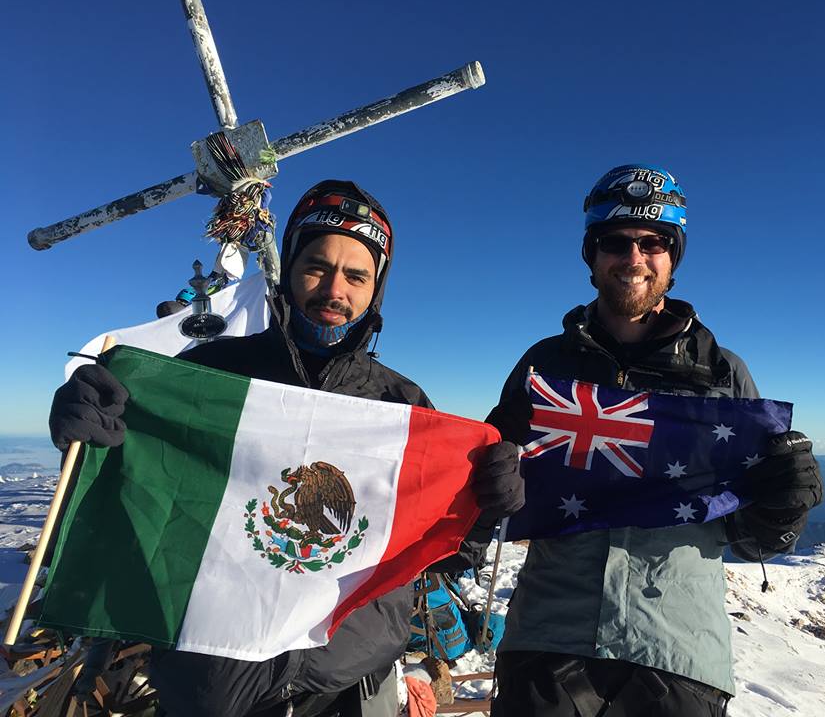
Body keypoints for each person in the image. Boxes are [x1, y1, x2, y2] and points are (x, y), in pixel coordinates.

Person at [48, 179, 525, 717]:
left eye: (356, 275)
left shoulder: (405, 407)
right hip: (213, 680)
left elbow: (442, 555)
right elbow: (135, 501)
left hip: (347, 687)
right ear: (292, 271)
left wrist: (483, 505)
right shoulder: (210, 377)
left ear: (376, 289)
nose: (334, 290)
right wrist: (84, 436)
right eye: (318, 266)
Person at [486, 164, 823, 717]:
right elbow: (485, 485)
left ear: (673, 258)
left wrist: (785, 500)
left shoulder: (722, 375)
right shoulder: (545, 365)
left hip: (676, 651)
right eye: (616, 242)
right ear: (592, 257)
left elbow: (754, 538)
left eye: (654, 242)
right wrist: (492, 481)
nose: (634, 258)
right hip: (549, 637)